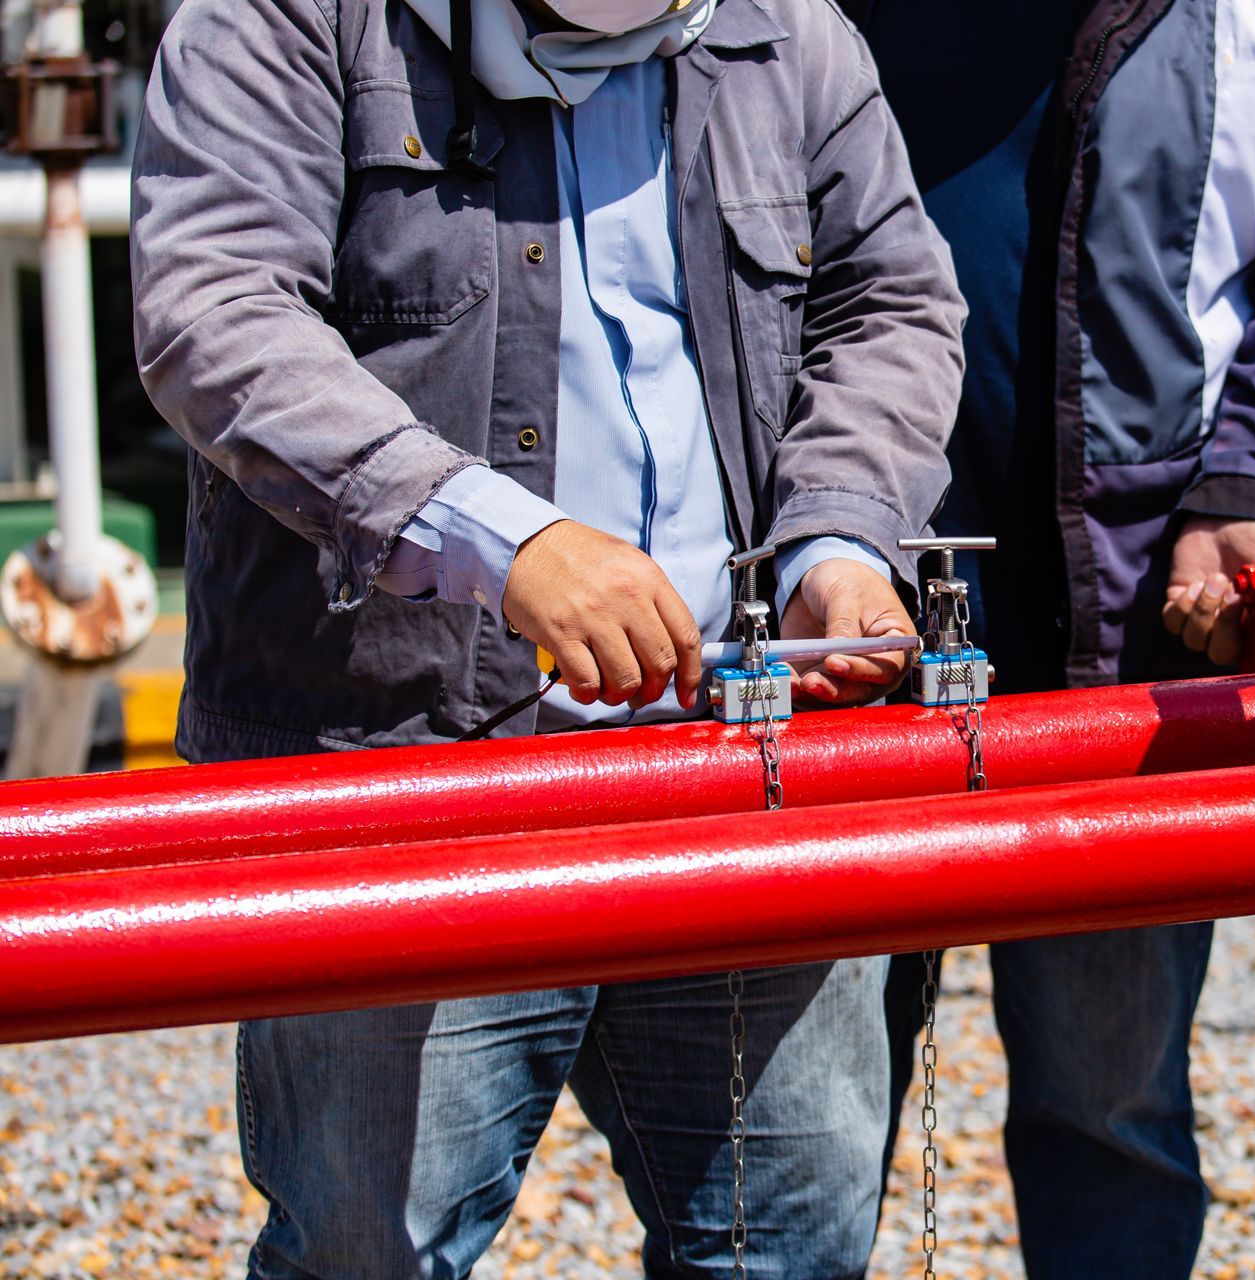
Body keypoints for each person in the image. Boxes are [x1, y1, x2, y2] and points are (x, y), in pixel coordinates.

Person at [131, 0, 963, 1275]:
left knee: (787, 1249)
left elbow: (889, 304)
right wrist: (498, 537)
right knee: (369, 1253)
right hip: (404, 776)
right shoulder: (291, 19)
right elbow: (218, 310)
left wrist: (837, 543)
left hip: (738, 768)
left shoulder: (785, 35)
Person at [858, 1, 1255, 1275]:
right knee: (804, 1131)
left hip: (1121, 636)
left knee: (1107, 1108)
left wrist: (1252, 486)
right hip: (849, 613)